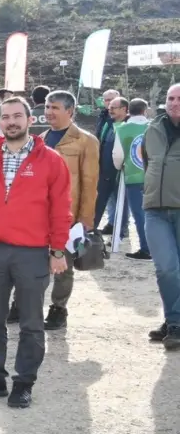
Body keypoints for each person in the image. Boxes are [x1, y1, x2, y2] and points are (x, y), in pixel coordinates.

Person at [0, 96, 72, 409]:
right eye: (5, 117)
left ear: (29, 120)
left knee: (31, 322)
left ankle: (24, 382)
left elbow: (61, 208)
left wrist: (57, 250)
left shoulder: (51, 160)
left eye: (17, 116)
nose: (11, 122)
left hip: (32, 251)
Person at [41, 89, 98, 330]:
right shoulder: (40, 139)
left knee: (63, 266)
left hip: (68, 216)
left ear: (70, 111)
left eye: (54, 107)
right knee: (33, 263)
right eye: (47, 107)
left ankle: (58, 309)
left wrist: (85, 219)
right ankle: (22, 305)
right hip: (38, 214)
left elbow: (90, 182)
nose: (48, 112)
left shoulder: (86, 141)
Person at [142, 84, 180, 350]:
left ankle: (174, 321)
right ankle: (174, 320)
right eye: (171, 98)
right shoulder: (152, 129)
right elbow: (148, 163)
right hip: (155, 209)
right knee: (166, 268)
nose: (175, 102)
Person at [111, 98, 151, 260]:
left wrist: (119, 166)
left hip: (133, 176)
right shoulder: (154, 126)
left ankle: (146, 248)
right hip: (155, 177)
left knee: (139, 215)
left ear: (128, 111)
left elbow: (117, 156)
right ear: (145, 111)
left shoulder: (122, 129)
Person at [96, 94, 128, 233]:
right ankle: (92, 228)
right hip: (104, 169)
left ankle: (121, 230)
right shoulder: (107, 123)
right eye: (109, 106)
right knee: (101, 200)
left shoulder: (128, 126)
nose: (110, 109)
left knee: (121, 201)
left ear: (124, 109)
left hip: (120, 172)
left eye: (114, 107)